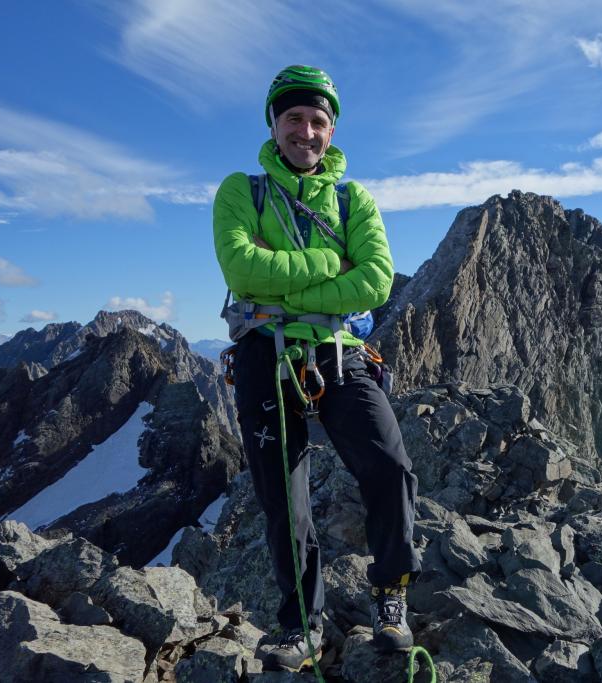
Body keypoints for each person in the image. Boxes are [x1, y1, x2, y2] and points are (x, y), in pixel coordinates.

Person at [212, 65, 422, 672]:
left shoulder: (354, 199)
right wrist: (333, 265)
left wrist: (286, 296)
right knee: (286, 498)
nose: (306, 131)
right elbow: (242, 272)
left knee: (389, 468)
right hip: (264, 356)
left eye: (317, 121)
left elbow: (377, 281)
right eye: (294, 119)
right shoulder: (240, 191)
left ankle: (390, 595)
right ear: (274, 126)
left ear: (332, 130)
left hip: (339, 355)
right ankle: (300, 622)